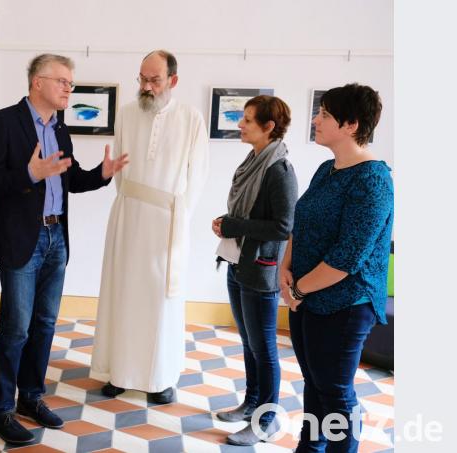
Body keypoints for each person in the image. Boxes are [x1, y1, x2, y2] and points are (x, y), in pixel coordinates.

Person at [0, 53, 129, 445]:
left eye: (70, 83)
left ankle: (31, 397)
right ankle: (0, 410)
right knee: (15, 330)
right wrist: (30, 173)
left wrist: (101, 175)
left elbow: (70, 180)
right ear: (37, 83)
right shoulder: (5, 122)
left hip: (56, 237)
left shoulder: (59, 129)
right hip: (19, 241)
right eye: (62, 81)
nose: (69, 88)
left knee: (45, 325)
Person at [90, 50, 209, 405]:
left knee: (160, 302)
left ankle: (159, 377)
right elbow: (121, 172)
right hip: (128, 215)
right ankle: (118, 371)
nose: (146, 86)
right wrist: (130, 200)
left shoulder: (192, 118)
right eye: (142, 78)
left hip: (167, 223)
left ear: (173, 80)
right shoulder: (126, 113)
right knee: (122, 292)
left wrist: (178, 219)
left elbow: (197, 175)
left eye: (154, 79)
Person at [280, 83, 393, 452]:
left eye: (325, 114)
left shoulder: (373, 179)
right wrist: (286, 268)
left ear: (351, 124)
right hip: (308, 298)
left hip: (345, 304)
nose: (315, 119)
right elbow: (303, 221)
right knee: (315, 385)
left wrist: (298, 289)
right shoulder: (326, 169)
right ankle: (309, 448)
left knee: (336, 395)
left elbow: (348, 257)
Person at [211, 95, 298, 446]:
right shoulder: (254, 160)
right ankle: (251, 404)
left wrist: (236, 225)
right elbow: (250, 215)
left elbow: (283, 226)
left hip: (261, 270)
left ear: (268, 127)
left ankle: (268, 420)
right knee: (249, 342)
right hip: (238, 262)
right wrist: (229, 224)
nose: (240, 125)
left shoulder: (279, 170)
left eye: (247, 120)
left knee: (264, 348)